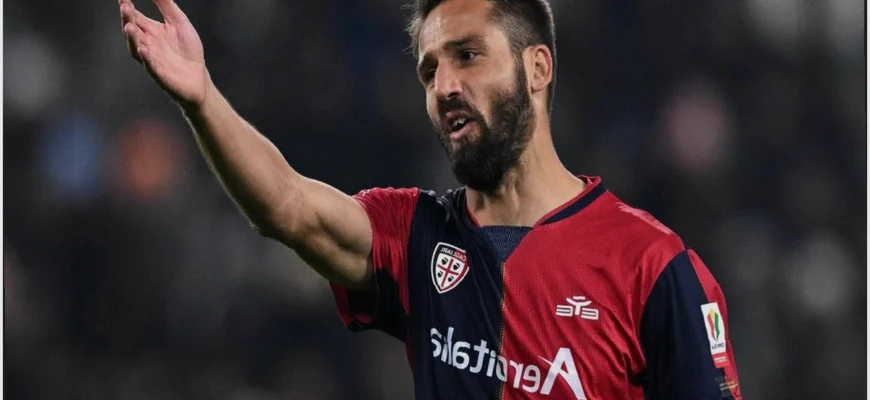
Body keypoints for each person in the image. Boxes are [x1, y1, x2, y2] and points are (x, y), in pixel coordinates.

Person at [119, 0, 742, 398]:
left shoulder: (652, 266)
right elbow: (287, 206)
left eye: (467, 56)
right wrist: (201, 98)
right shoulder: (416, 231)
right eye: (429, 70)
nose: (444, 85)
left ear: (537, 68)